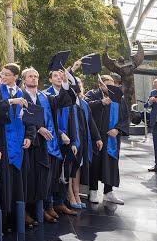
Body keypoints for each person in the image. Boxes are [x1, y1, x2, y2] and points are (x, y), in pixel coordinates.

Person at [0, 63, 35, 232]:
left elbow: (31, 117)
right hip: (3, 141)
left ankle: (18, 218)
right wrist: (10, 101)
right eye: (2, 74)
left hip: (20, 144)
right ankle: (4, 221)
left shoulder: (23, 93)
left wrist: (30, 136)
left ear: (15, 77)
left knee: (18, 181)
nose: (3, 76)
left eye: (7, 74)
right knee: (4, 181)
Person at [21, 67, 74, 224]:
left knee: (42, 178)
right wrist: (38, 128)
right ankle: (26, 212)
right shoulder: (19, 95)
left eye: (36, 76)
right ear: (24, 80)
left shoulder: (45, 97)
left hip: (44, 144)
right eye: (30, 76)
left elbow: (64, 101)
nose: (34, 78)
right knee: (28, 179)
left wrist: (65, 83)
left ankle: (40, 210)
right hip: (28, 144)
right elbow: (19, 118)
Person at [86, 75, 130, 204]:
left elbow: (125, 117)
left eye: (112, 84)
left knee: (111, 164)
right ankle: (93, 191)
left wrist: (117, 129)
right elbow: (85, 107)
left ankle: (108, 192)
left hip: (113, 138)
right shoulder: (93, 94)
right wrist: (101, 102)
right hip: (97, 136)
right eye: (108, 84)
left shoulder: (119, 98)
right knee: (95, 163)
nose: (111, 87)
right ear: (101, 84)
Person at [65, 64, 103, 208]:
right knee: (70, 167)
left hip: (83, 138)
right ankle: (70, 195)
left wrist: (97, 137)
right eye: (76, 84)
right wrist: (72, 68)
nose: (78, 86)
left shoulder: (83, 103)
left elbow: (90, 122)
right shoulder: (68, 102)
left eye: (80, 84)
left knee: (79, 166)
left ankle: (76, 192)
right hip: (72, 137)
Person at [45, 70, 78, 218]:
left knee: (64, 172)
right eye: (56, 76)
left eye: (61, 76)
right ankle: (50, 204)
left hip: (67, 140)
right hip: (53, 140)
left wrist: (74, 140)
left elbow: (73, 120)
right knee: (52, 174)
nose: (59, 78)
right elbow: (47, 119)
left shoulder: (67, 93)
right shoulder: (45, 95)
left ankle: (60, 202)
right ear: (50, 79)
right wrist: (59, 133)